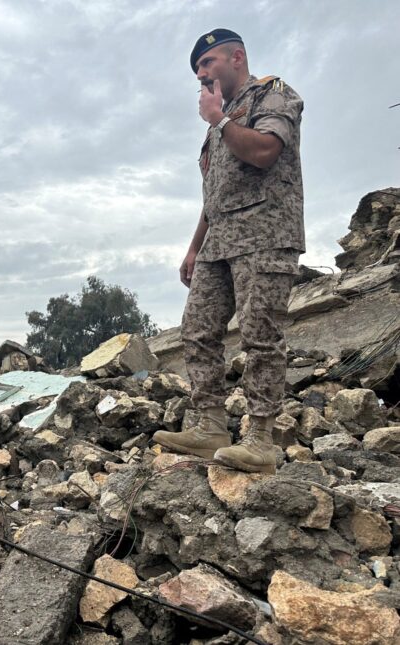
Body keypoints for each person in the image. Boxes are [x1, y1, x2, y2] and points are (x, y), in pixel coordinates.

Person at [153, 29, 305, 474]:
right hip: (219, 242)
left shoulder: (272, 97)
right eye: (197, 68)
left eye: (208, 63)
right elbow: (214, 194)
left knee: (260, 336)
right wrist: (193, 248)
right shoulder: (219, 120)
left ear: (237, 58)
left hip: (265, 234)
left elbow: (264, 152)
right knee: (197, 331)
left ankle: (260, 440)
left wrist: (219, 121)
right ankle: (211, 428)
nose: (201, 74)